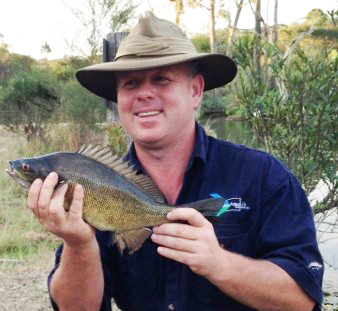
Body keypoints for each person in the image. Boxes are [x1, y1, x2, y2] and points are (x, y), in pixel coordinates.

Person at [27, 11, 323, 311]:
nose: (144, 93)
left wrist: (220, 265)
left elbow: (303, 300)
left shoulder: (263, 176)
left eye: (161, 79)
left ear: (195, 91)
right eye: (130, 83)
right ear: (118, 100)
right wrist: (78, 245)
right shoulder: (94, 184)